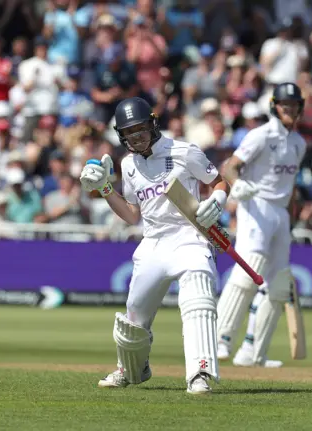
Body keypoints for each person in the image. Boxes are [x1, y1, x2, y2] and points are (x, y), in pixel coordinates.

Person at [79, 97, 230, 394]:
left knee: (198, 297)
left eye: (141, 130)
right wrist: (104, 189)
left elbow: (219, 182)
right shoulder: (129, 164)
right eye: (130, 133)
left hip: (190, 235)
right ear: (121, 136)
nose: (137, 137)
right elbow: (132, 214)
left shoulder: (184, 151)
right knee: (134, 316)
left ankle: (200, 373)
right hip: (154, 241)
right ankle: (131, 369)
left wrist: (217, 201)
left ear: (152, 124)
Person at [216, 82, 307, 367]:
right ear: (274, 106)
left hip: (280, 213)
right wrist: (238, 185)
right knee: (248, 272)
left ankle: (254, 352)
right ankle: (219, 339)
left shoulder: (299, 143)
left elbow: (290, 187)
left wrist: (289, 221)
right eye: (284, 105)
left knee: (278, 285)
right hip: (255, 205)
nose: (289, 109)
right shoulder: (260, 135)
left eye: (293, 105)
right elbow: (230, 166)